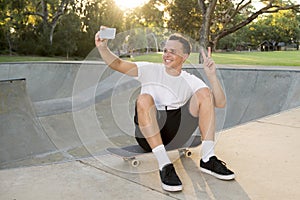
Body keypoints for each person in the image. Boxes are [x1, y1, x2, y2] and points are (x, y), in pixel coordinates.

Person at [95, 26, 235, 192]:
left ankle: (208, 158)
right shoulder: (150, 70)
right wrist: (103, 48)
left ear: (185, 57)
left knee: (205, 93)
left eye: (173, 52)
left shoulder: (190, 79)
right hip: (148, 134)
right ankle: (165, 165)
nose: (167, 55)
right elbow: (117, 64)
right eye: (165, 50)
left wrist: (211, 76)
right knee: (144, 99)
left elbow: (219, 103)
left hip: (178, 132)